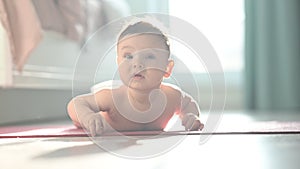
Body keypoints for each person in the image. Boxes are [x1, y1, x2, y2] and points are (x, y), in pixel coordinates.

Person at [67, 18, 204, 136]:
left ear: (167, 68)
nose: (137, 63)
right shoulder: (113, 99)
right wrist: (88, 117)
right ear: (118, 63)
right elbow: (76, 104)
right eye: (128, 56)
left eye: (149, 56)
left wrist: (191, 116)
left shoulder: (172, 97)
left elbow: (188, 104)